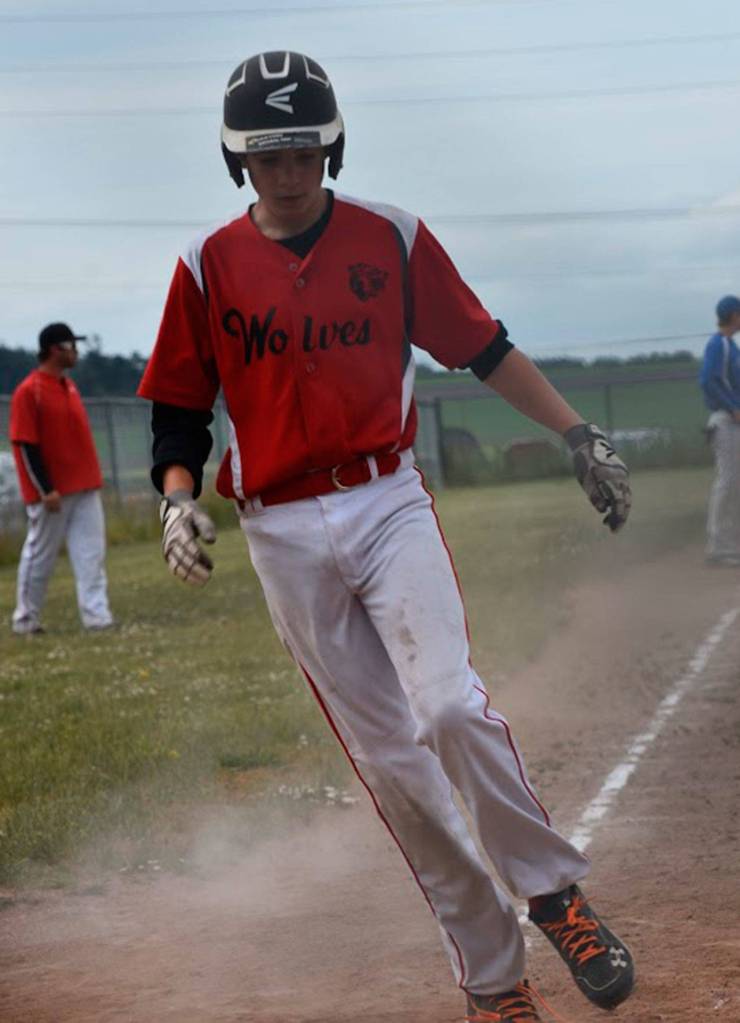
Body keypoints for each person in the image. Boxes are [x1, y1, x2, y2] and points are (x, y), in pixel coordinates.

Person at [138, 52, 634, 1021]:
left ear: (332, 146)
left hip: (382, 499)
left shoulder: (390, 237)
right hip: (278, 526)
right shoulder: (206, 266)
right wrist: (173, 496)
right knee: (393, 768)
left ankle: (552, 896)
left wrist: (575, 432)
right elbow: (177, 408)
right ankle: (494, 986)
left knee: (446, 708)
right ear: (236, 161)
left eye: (305, 150)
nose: (289, 172)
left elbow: (480, 345)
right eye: (268, 155)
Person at [9, 322, 114, 635]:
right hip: (52, 493)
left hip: (84, 485)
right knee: (40, 555)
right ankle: (25, 619)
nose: (76, 351)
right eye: (71, 345)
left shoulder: (68, 386)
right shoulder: (30, 391)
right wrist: (45, 488)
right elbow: (25, 444)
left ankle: (98, 617)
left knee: (91, 554)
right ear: (55, 349)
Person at [700, 294, 740, 567]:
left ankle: (729, 541)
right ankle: (717, 546)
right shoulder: (719, 344)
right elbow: (707, 381)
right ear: (734, 315)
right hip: (724, 420)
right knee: (727, 480)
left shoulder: (731, 346)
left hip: (732, 420)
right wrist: (731, 407)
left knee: (734, 481)